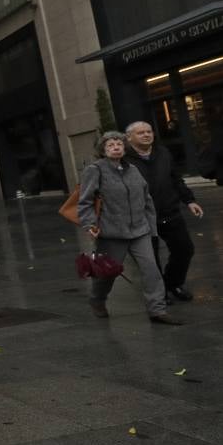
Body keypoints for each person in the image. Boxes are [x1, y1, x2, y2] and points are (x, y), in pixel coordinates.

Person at [78, 131, 181, 325]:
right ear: (103, 150)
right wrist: (90, 223)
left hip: (140, 231)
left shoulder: (133, 169)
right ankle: (97, 299)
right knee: (106, 273)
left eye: (119, 144)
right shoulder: (95, 170)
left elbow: (147, 198)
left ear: (125, 149)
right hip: (111, 233)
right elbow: (85, 201)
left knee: (151, 270)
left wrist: (151, 228)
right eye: (110, 145)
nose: (116, 147)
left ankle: (157, 310)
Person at [123, 120, 204, 301]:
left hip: (169, 210)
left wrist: (189, 200)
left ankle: (173, 283)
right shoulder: (123, 159)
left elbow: (176, 178)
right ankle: (159, 293)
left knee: (184, 249)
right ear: (129, 138)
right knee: (150, 260)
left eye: (149, 131)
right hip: (141, 217)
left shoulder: (163, 153)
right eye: (141, 132)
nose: (146, 135)